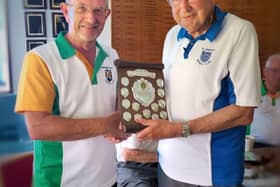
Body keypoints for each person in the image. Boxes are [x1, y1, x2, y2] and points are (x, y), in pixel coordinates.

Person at [135, 0, 261, 186]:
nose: (184, 7)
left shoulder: (239, 31)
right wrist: (132, 121)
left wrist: (179, 129)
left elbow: (244, 112)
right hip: (168, 167)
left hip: (212, 175)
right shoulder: (172, 35)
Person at [15, 0, 127, 186]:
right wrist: (105, 125)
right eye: (81, 8)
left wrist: (122, 122)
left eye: (98, 10)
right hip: (60, 182)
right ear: (66, 11)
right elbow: (38, 127)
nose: (91, 18)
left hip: (108, 179)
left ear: (106, 15)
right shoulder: (40, 59)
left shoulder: (112, 56)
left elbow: (114, 105)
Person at [250, 53, 280, 147]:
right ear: (264, 72)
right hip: (255, 147)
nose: (279, 75)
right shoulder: (252, 91)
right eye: (274, 71)